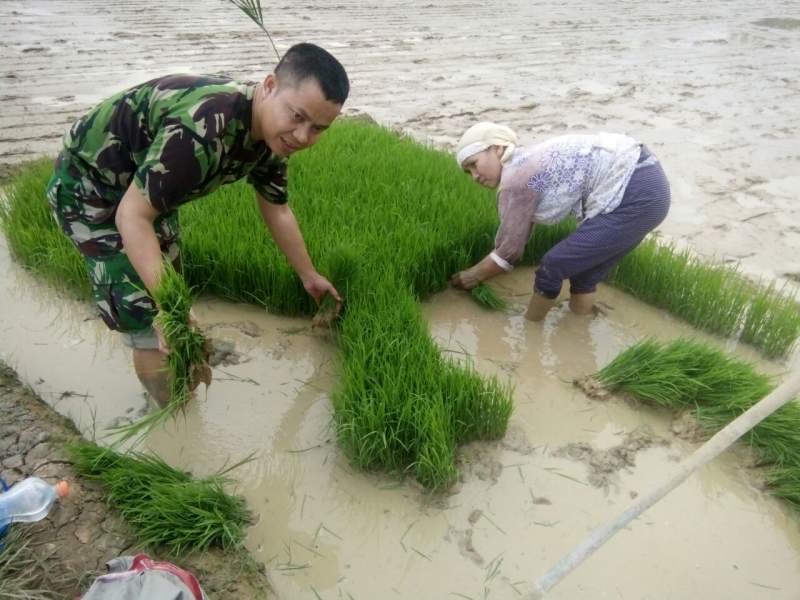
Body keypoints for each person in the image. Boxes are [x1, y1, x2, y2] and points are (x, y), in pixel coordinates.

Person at [47, 43, 349, 406]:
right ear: (269, 86)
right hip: (90, 189)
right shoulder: (200, 132)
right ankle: (172, 415)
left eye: (318, 128)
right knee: (152, 315)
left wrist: (308, 275)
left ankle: (180, 376)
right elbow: (131, 216)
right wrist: (168, 307)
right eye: (297, 116)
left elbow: (277, 208)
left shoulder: (272, 137)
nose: (303, 137)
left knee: (171, 286)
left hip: (146, 188)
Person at [450, 122, 670, 321]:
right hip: (649, 183)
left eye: (474, 164)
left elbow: (509, 250)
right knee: (585, 273)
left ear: (497, 148)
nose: (474, 176)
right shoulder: (526, 164)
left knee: (553, 266)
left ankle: (530, 331)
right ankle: (579, 326)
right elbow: (517, 237)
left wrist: (472, 276)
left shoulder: (515, 179)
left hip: (637, 190)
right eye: (468, 172)